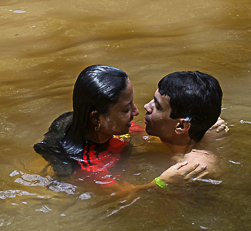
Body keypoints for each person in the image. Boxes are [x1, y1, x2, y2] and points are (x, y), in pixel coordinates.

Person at [33, 66, 219, 194]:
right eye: (126, 109)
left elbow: (157, 138)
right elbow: (122, 196)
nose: (138, 111)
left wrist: (205, 126)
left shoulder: (118, 129)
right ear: (97, 118)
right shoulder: (89, 162)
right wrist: (162, 182)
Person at [117, 70, 226, 197]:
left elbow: (130, 195)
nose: (147, 106)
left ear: (180, 126)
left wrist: (159, 183)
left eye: (157, 106)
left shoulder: (194, 166)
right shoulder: (205, 128)